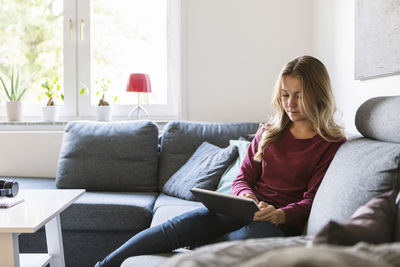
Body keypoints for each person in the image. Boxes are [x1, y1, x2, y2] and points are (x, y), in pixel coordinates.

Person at [96, 55, 346, 267]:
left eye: (299, 96)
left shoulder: (330, 144)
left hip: (276, 225)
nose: (290, 104)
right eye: (284, 95)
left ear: (317, 94)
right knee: (179, 225)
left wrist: (280, 215)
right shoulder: (268, 132)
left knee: (254, 234)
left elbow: (310, 200)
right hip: (243, 210)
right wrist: (247, 197)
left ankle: (202, 246)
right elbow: (243, 178)